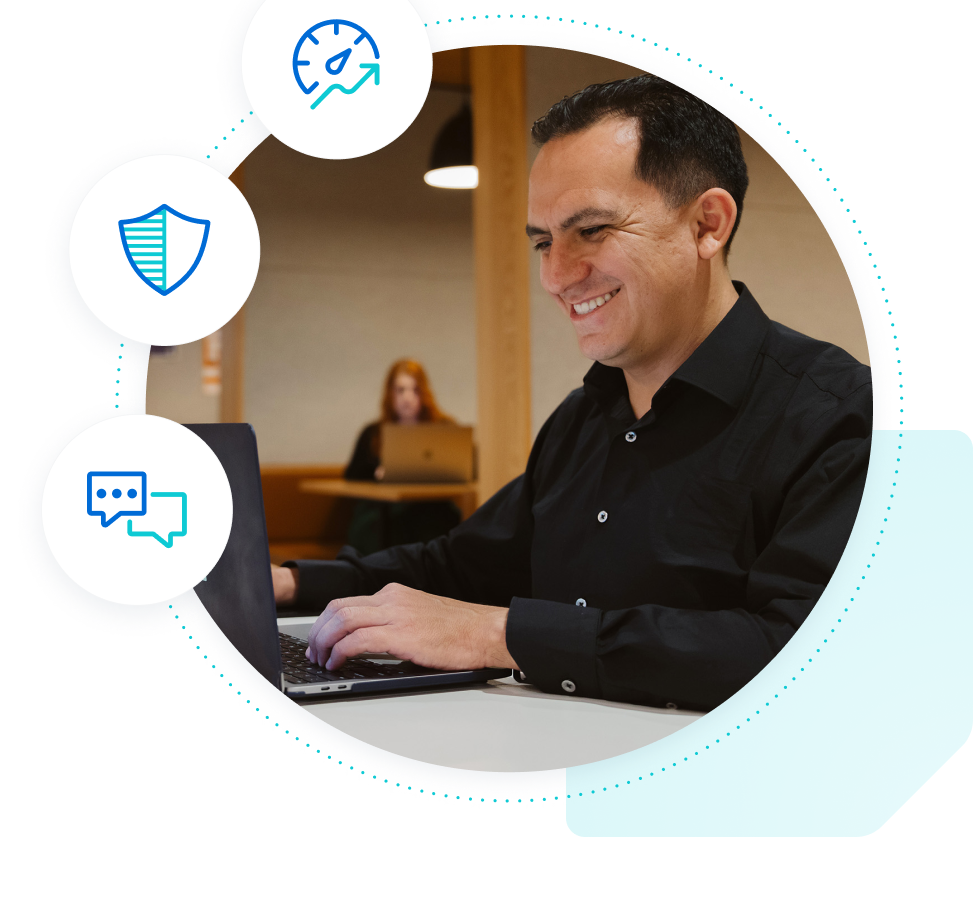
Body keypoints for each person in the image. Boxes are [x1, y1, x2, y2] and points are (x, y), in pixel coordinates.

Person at [271, 74, 872, 712]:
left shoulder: (838, 415)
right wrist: (287, 583)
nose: (555, 276)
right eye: (542, 241)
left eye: (591, 231)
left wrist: (499, 634)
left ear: (707, 224)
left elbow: (799, 648)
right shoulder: (582, 420)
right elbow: (460, 564)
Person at [341, 360, 461, 554]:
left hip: (430, 508)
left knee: (438, 519)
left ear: (424, 393)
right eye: (401, 390)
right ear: (390, 393)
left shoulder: (444, 429)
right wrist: (377, 473)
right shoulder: (373, 433)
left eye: (415, 390)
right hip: (383, 510)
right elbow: (352, 476)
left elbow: (460, 468)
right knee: (378, 523)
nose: (407, 398)